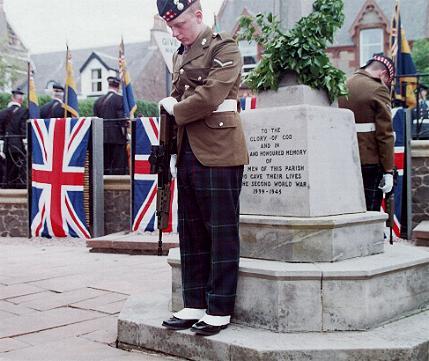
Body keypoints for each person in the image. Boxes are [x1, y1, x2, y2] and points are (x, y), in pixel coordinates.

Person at [157, 0, 248, 336]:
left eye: (179, 24)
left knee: (221, 230)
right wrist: (168, 150)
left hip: (220, 149)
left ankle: (220, 306)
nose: (175, 32)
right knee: (191, 230)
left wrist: (176, 109)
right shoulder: (181, 54)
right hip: (188, 149)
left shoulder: (225, 47)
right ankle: (194, 301)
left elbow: (211, 96)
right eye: (171, 26)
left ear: (198, 15)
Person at [339, 54, 395, 211]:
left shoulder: (343, 84)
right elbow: (385, 134)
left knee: (349, 210)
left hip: (344, 159)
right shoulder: (378, 89)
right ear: (383, 74)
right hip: (369, 160)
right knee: (370, 212)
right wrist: (388, 170)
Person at [93, 76, 128, 175]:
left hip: (101, 138)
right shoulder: (120, 99)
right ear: (118, 86)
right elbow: (121, 120)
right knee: (118, 166)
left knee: (105, 165)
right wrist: (127, 135)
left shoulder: (98, 101)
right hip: (117, 138)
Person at [0, 88, 28, 187]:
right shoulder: (24, 111)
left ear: (12, 98)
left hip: (6, 145)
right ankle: (16, 186)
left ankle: (7, 186)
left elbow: (1, 131)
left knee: (8, 168)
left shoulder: (2, 112)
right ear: (21, 100)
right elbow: (23, 129)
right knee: (19, 169)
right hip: (18, 146)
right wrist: (26, 145)